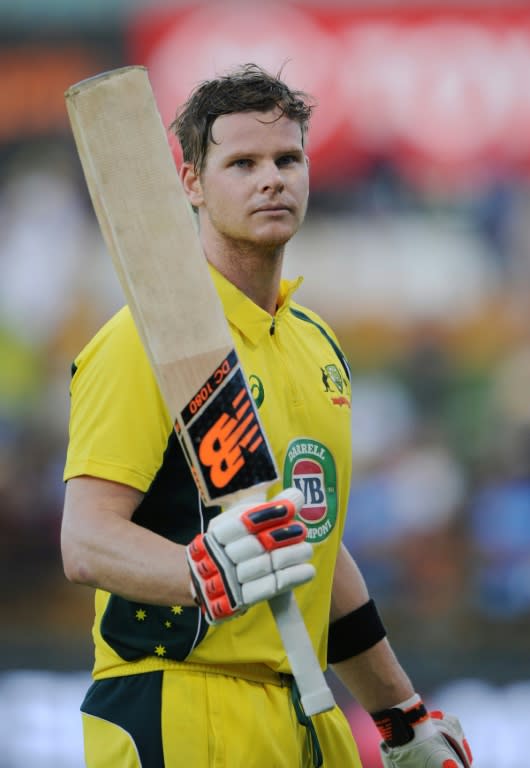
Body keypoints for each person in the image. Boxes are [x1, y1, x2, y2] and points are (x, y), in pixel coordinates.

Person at [61, 63, 472, 768]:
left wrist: (399, 713)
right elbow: (87, 541)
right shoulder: (141, 340)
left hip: (307, 713)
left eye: (287, 159)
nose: (271, 179)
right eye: (242, 163)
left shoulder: (317, 343)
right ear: (189, 183)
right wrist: (199, 571)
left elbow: (315, 545)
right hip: (181, 704)